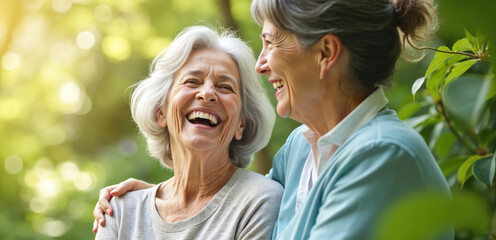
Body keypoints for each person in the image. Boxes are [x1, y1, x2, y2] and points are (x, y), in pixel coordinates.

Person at [94, 0, 452, 239]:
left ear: (326, 53)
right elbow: (231, 199)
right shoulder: (300, 148)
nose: (261, 64)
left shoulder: (381, 155)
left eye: (270, 43)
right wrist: (164, 202)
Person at [94, 25, 283, 240]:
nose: (207, 93)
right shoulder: (120, 210)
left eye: (225, 87)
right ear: (160, 112)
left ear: (241, 124)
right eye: (192, 81)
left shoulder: (259, 200)